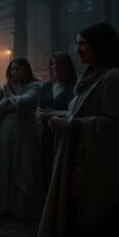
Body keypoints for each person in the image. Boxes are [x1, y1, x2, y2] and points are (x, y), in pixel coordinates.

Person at [37, 22, 119, 237]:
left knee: (96, 222)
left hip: (100, 165)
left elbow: (114, 125)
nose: (78, 49)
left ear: (100, 46)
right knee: (75, 219)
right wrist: (55, 116)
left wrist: (72, 125)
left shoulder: (114, 78)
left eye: (84, 44)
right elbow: (79, 112)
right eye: (77, 43)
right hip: (78, 159)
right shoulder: (90, 75)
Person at [0, 58, 43, 220]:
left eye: (18, 69)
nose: (14, 72)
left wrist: (11, 96)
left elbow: (25, 103)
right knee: (4, 167)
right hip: (5, 133)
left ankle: (21, 208)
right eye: (12, 69)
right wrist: (9, 101)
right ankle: (4, 205)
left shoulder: (35, 86)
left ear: (26, 70)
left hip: (24, 133)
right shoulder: (7, 88)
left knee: (22, 166)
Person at [37, 52, 76, 196]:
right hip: (46, 134)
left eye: (59, 63)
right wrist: (39, 115)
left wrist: (52, 113)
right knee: (46, 169)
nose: (55, 66)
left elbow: (74, 112)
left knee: (62, 170)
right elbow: (39, 108)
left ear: (67, 66)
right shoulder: (46, 87)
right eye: (53, 63)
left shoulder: (74, 87)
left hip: (65, 134)